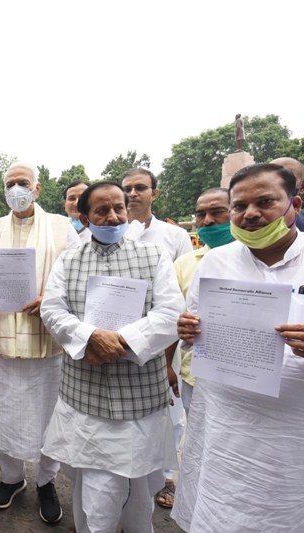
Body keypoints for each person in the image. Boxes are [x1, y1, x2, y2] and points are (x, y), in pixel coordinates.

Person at [174, 163, 304, 532]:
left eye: (265, 202)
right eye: (239, 206)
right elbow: (195, 327)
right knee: (222, 517)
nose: (250, 214)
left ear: (294, 203)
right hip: (226, 434)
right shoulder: (215, 262)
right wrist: (189, 330)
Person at [40, 181, 184, 533]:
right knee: (94, 489)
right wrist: (90, 336)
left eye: (119, 207)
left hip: (138, 396)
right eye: (102, 210)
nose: (113, 216)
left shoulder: (153, 255)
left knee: (137, 491)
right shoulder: (69, 258)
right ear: (84, 217)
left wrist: (120, 341)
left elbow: (171, 313)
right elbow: (52, 309)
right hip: (84, 396)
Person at [0, 161, 78, 524]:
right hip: (2, 338)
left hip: (46, 340)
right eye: (10, 183)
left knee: (46, 413)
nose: (15, 188)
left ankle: (46, 481)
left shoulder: (62, 227)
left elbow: (77, 278)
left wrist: (50, 303)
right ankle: (12, 478)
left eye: (23, 182)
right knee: (5, 410)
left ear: (36, 189)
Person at [121, 167, 193, 508]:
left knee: (170, 411)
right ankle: (127, 478)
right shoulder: (113, 232)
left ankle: (165, 477)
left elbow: (178, 301)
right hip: (120, 340)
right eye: (127, 189)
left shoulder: (173, 237)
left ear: (155, 193)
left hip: (165, 339)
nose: (132, 194)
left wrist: (167, 359)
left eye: (140, 188)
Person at [172, 187, 233, 414]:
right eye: (200, 214)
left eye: (217, 212)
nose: (208, 221)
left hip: (249, 381)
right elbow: (173, 318)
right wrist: (169, 365)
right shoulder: (185, 264)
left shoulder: (259, 260)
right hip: (195, 376)